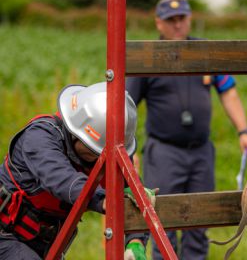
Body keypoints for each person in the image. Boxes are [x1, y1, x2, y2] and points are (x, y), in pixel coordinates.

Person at [126, 0, 247, 260]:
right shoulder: (148, 56)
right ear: (158, 23)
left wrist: (244, 131)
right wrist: (130, 149)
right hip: (164, 152)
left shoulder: (204, 52)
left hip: (201, 152)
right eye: (170, 20)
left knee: (199, 220)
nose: (177, 25)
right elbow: (127, 106)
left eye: (182, 19)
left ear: (189, 20)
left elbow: (228, 91)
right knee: (162, 220)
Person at [0, 82, 150, 260]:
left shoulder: (105, 151)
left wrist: (135, 242)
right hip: (6, 237)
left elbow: (133, 194)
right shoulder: (39, 137)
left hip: (48, 249)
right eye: (93, 152)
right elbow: (61, 179)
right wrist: (104, 199)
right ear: (77, 134)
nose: (98, 161)